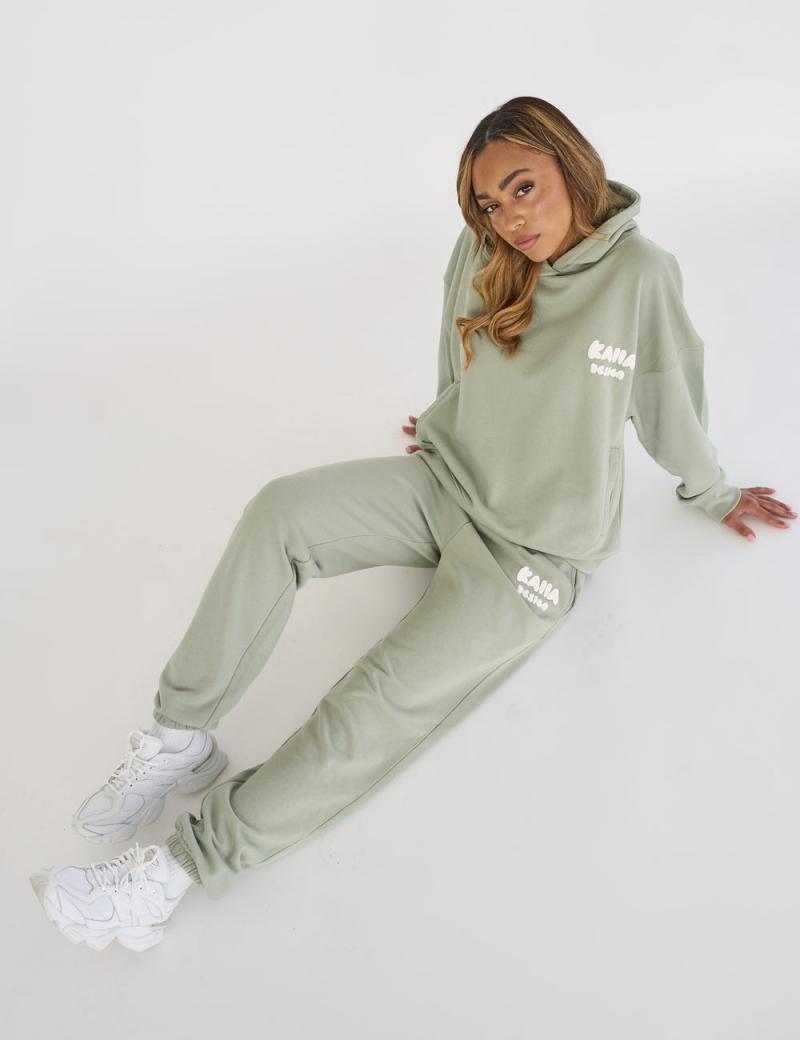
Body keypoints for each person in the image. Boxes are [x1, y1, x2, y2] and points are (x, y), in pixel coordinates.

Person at [29, 96, 796, 952]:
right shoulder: (484, 250)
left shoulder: (642, 275)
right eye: (490, 204)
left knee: (376, 699)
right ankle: (179, 738)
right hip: (444, 482)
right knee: (281, 511)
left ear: (572, 165)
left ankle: (171, 876)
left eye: (523, 188)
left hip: (532, 556)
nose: (509, 219)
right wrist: (446, 418)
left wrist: (712, 490)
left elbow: (668, 398)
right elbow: (455, 347)